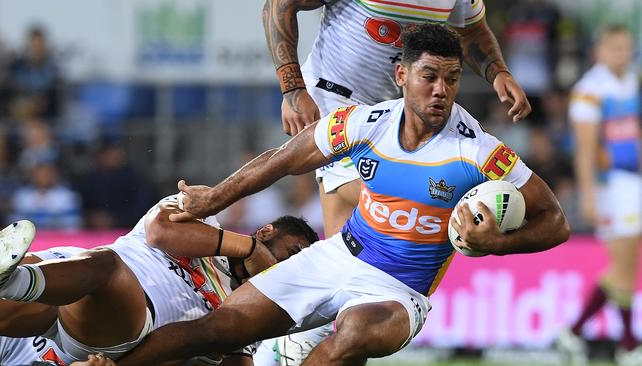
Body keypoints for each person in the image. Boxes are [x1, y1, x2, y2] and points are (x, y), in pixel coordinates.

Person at [97, 24, 568, 366]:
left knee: (351, 338)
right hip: (338, 256)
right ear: (401, 76)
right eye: (429, 76)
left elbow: (556, 222)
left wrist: (496, 245)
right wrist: (212, 199)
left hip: (399, 292)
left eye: (451, 78)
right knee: (215, 330)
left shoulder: (479, 150)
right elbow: (282, 160)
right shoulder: (365, 123)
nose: (441, 90)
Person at [265, 1, 532, 358]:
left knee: (358, 293)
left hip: (402, 111)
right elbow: (279, 5)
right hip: (337, 102)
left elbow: (472, 28)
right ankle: (294, 341)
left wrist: (498, 72)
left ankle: (302, 341)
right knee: (412, 199)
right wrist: (293, 88)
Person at [0, 195, 318, 364]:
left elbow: (187, 352)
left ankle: (10, 282)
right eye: (291, 253)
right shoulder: (205, 216)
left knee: (107, 269)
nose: (286, 267)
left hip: (115, 325)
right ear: (265, 232)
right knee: (50, 267)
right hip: (68, 272)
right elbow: (160, 230)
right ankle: (8, 280)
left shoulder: (247, 309)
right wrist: (247, 247)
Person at [555, 24, 642, 366]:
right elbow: (586, 149)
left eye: (627, 48)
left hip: (631, 181)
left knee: (627, 265)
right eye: (616, 48)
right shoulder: (589, 90)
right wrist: (589, 194)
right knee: (623, 266)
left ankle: (591, 334)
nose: (623, 54)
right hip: (610, 186)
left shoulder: (630, 81)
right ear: (599, 52)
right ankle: (625, 342)